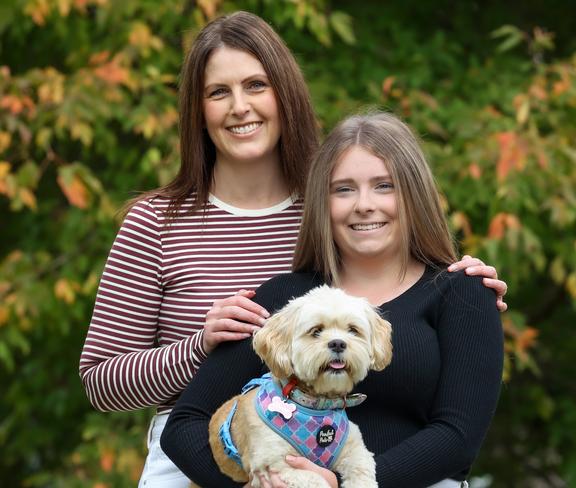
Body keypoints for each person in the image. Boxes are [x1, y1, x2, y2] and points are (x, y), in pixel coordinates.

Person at [78, 12, 507, 487]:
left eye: (257, 85)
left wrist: (461, 282)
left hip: (334, 448)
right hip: (214, 446)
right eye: (218, 92)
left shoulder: (327, 207)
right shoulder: (158, 222)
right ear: (197, 111)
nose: (240, 106)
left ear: (285, 93)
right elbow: (101, 381)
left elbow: (395, 263)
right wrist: (201, 345)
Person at [160, 112, 504, 488]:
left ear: (414, 193)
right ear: (323, 202)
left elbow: (458, 437)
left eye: (384, 186)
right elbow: (183, 425)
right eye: (343, 189)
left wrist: (342, 486)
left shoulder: (463, 293)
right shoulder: (284, 301)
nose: (363, 204)